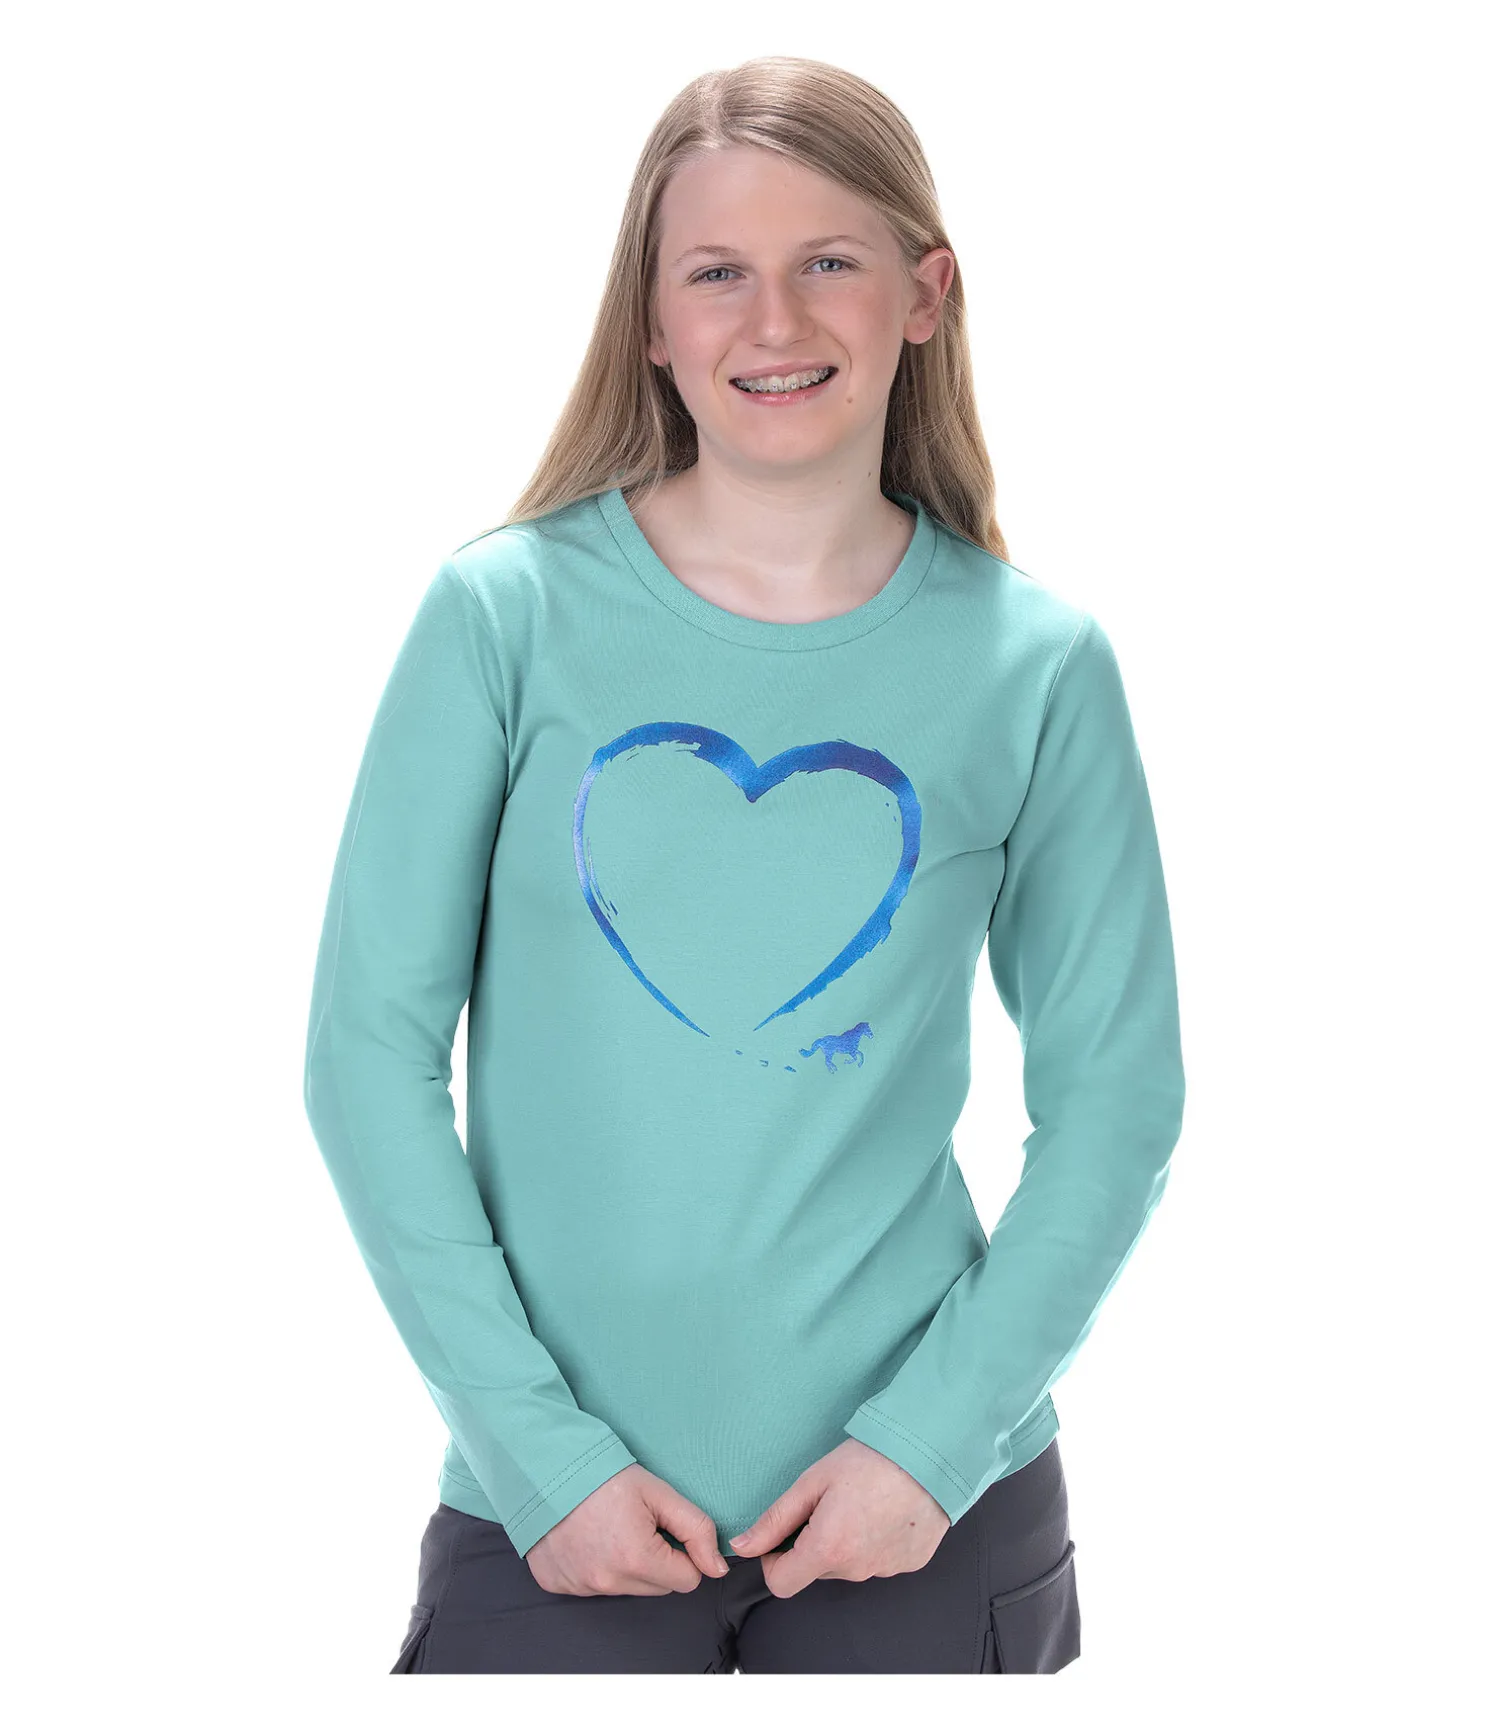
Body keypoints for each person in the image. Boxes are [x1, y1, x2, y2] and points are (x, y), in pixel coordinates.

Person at [302, 54, 1184, 1675]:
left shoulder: (1034, 664)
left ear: (924, 295)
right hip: (549, 1520)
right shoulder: (503, 618)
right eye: (715, 272)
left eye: (826, 260)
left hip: (928, 1522)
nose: (772, 321)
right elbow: (366, 1057)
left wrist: (930, 1445)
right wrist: (540, 1457)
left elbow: (1117, 1101)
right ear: (649, 320)